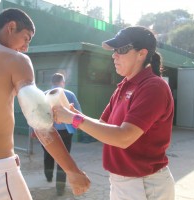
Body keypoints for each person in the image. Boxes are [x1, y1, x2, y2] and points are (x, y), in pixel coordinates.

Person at [0, 8, 90, 200]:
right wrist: (72, 171)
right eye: (26, 38)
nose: (26, 47)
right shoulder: (16, 60)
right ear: (11, 27)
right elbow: (40, 123)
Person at [54, 26, 175, 200]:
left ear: (142, 53)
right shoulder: (125, 85)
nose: (114, 55)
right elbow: (104, 126)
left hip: (144, 184)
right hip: (125, 182)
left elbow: (123, 138)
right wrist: (73, 115)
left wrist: (74, 118)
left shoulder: (153, 86)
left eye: (121, 50)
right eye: (114, 51)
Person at [43, 73, 82, 196]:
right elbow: (78, 112)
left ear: (52, 82)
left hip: (47, 130)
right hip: (65, 131)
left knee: (48, 153)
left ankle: (48, 176)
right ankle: (60, 189)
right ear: (62, 82)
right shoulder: (69, 94)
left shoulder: (44, 94)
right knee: (63, 157)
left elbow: (37, 114)